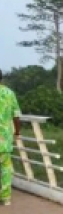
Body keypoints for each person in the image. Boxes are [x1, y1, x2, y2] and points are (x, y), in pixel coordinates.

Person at [0, 69, 22, 206]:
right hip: (5, 138)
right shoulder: (9, 93)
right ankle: (5, 198)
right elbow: (16, 115)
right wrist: (17, 132)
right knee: (6, 168)